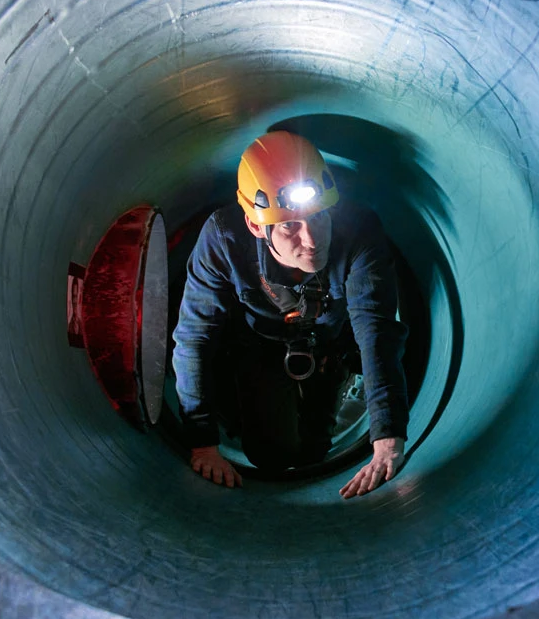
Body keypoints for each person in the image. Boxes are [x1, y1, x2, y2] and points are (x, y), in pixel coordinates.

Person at [171, 130, 409, 498]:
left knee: (314, 452)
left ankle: (339, 383)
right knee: (271, 457)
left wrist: (387, 434)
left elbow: (375, 329)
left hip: (330, 343)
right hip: (261, 343)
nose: (312, 240)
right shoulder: (224, 239)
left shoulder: (359, 230)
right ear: (256, 225)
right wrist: (202, 441)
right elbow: (194, 335)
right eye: (289, 226)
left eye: (319, 218)